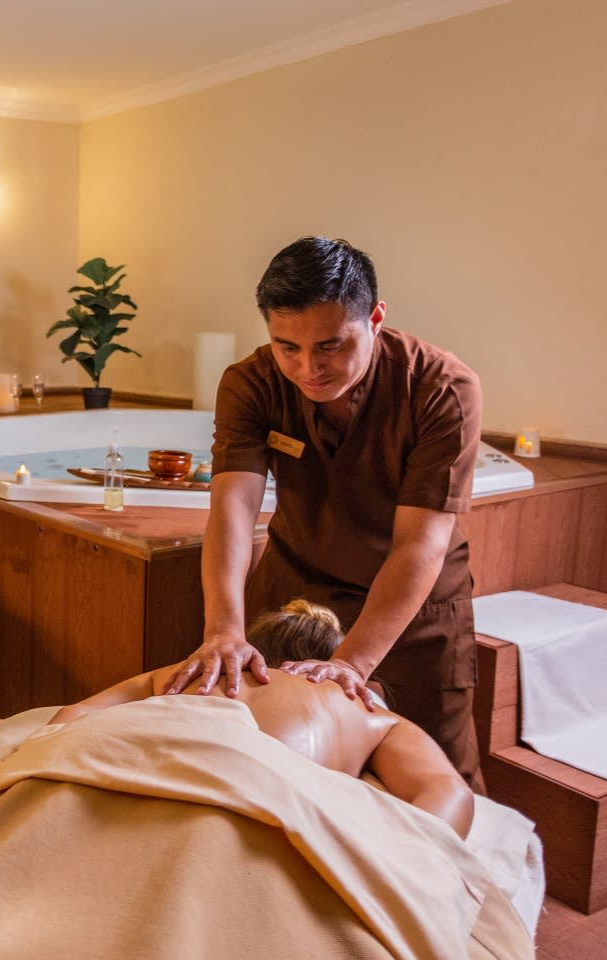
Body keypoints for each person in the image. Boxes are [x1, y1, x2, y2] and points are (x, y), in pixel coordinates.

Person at [165, 237, 485, 790]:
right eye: (287, 346)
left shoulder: (441, 387)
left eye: (331, 346)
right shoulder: (252, 382)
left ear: (375, 319)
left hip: (410, 613)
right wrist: (223, 630)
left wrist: (352, 664)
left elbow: (420, 544)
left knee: (438, 780)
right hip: (294, 595)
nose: (308, 368)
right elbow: (233, 508)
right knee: (273, 769)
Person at [54, 600, 474, 838]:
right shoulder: (358, 705)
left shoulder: (187, 673)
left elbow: (70, 719)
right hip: (252, 820)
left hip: (143, 800)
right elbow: (450, 794)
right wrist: (390, 857)